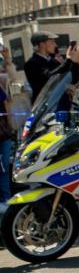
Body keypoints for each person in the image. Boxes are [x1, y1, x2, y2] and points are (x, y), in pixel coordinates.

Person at [24, 31, 79, 106]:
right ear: (42, 45)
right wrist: (68, 60)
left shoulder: (53, 61)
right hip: (45, 107)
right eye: (52, 42)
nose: (55, 45)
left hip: (61, 104)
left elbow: (73, 79)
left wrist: (75, 62)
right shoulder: (31, 64)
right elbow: (49, 78)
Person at [0, 44, 17, 203]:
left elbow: (13, 78)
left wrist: (7, 59)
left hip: (3, 129)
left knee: (4, 165)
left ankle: (5, 198)